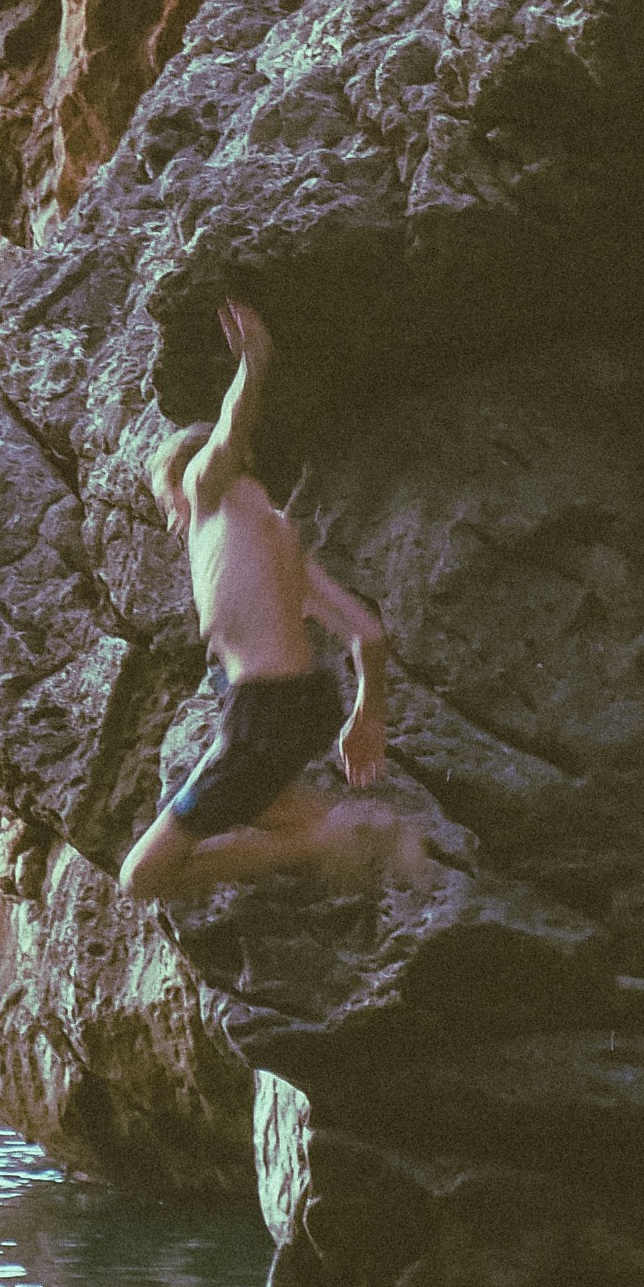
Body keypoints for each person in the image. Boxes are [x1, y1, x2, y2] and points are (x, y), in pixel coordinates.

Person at [119, 300, 421, 903]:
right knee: (268, 806)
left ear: (187, 481)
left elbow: (227, 437)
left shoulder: (209, 489)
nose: (174, 524)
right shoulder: (281, 543)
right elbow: (369, 635)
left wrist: (254, 364)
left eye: (165, 505)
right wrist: (369, 717)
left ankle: (355, 831)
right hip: (302, 706)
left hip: (264, 714)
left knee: (142, 878)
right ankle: (325, 828)